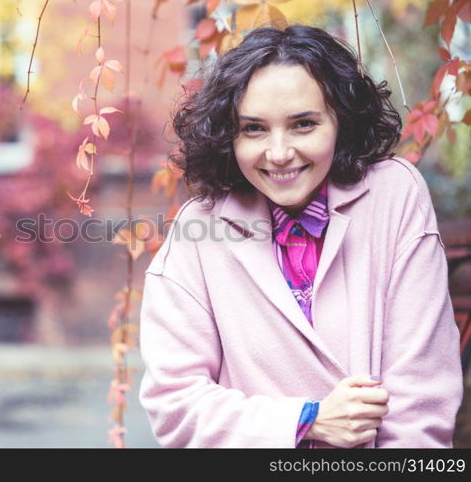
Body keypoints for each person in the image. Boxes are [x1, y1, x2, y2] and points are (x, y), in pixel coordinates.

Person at [138, 24, 464, 448]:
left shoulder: (394, 195)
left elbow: (421, 400)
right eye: (253, 128)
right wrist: (307, 419)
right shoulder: (197, 230)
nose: (278, 153)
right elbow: (175, 406)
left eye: (303, 124)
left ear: (340, 121)